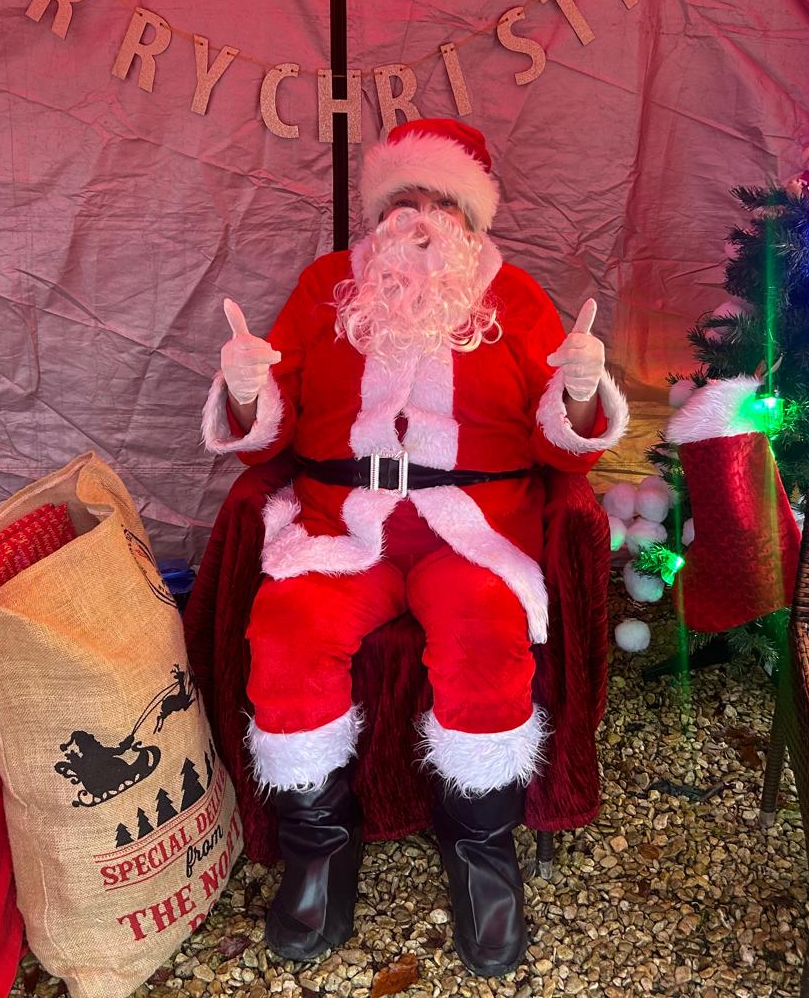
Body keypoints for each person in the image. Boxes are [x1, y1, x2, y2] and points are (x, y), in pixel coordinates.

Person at [200, 118, 627, 976]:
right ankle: (320, 848)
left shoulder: (513, 296)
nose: (421, 217)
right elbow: (259, 440)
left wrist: (582, 397)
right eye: (404, 200)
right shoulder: (328, 285)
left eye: (442, 201)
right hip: (341, 524)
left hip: (470, 531)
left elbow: (560, 447)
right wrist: (245, 392)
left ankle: (482, 856)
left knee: (484, 634)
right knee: (284, 629)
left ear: (472, 217)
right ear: (378, 212)